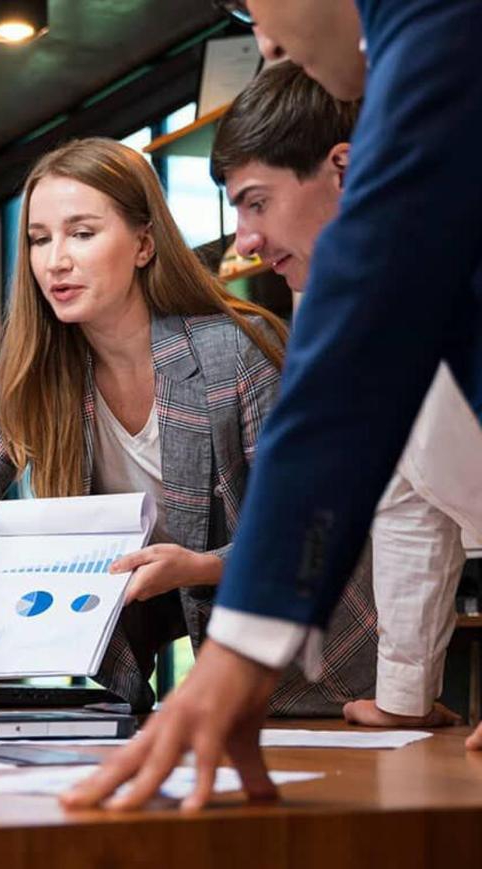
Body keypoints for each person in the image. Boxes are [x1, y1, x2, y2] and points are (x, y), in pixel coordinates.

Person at [63, 0, 482, 812]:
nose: (261, 38)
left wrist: (239, 649)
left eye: (254, 2)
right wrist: (400, 696)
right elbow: (404, 511)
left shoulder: (439, 26)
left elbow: (348, 371)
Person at [0, 136, 377, 715]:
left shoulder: (232, 352)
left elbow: (312, 525)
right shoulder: (40, 369)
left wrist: (205, 566)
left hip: (314, 667)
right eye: (39, 239)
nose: (56, 259)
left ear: (143, 244)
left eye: (82, 233)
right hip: (180, 681)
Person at [211, 60, 482, 729]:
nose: (245, 241)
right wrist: (402, 698)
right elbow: (405, 501)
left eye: (257, 202)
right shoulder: (330, 302)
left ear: (343, 168)